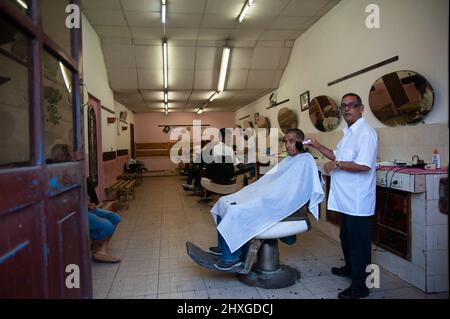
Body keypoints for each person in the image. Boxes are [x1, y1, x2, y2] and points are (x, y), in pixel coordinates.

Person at [206, 129, 324, 271]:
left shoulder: (306, 160)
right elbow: (273, 180)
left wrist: (267, 195)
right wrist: (259, 190)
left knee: (235, 210)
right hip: (271, 196)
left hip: (278, 202)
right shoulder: (289, 160)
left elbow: (296, 191)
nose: (287, 145)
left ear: (301, 142)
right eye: (285, 141)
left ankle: (232, 258)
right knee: (223, 202)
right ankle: (223, 246)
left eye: (291, 141)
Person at [307, 93, 378, 299]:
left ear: (361, 108)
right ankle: (350, 269)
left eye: (351, 105)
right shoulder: (349, 133)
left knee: (359, 245)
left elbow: (364, 165)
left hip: (358, 200)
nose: (346, 109)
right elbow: (338, 155)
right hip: (346, 199)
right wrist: (318, 146)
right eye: (344, 106)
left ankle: (361, 287)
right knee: (346, 238)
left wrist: (336, 165)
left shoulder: (366, 133)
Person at [86, 177, 122, 263]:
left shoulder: (78, 176)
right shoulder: (55, 181)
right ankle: (98, 249)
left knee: (115, 218)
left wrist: (90, 204)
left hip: (87, 207)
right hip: (77, 211)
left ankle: (101, 250)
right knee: (107, 225)